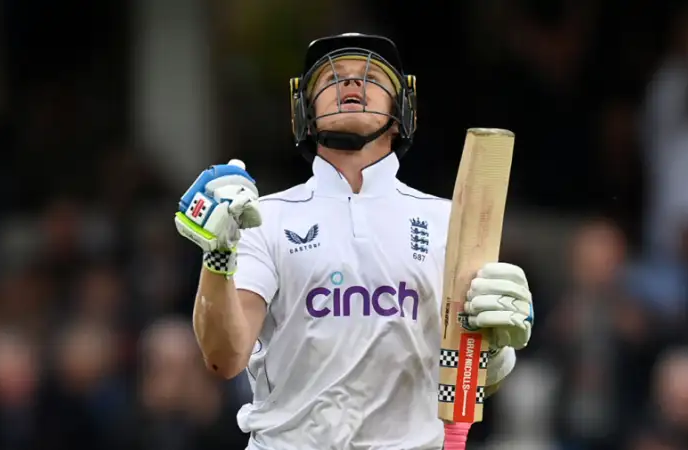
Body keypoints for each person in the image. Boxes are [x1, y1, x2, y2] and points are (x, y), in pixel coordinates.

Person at [174, 33, 535, 450]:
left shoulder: (448, 220)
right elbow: (225, 357)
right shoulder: (261, 215)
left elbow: (473, 378)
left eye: (371, 76)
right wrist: (217, 256)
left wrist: (497, 348)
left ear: (401, 112)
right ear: (304, 114)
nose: (350, 84)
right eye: (330, 78)